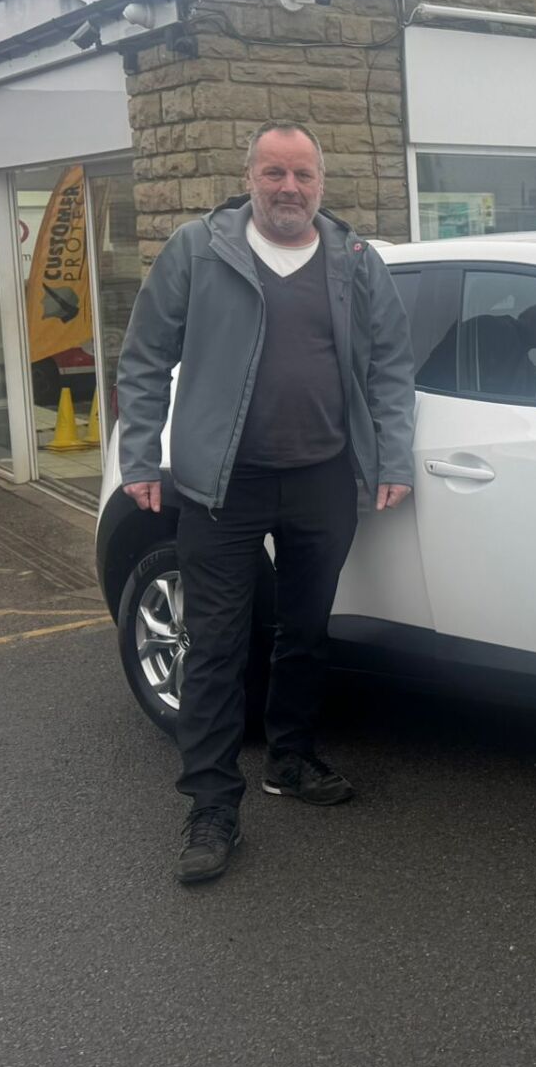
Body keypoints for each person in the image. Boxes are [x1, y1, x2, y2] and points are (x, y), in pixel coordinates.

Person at [117, 120, 416, 884]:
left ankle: (291, 757)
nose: (289, 188)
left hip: (323, 474)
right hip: (223, 482)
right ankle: (213, 805)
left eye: (303, 176)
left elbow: (389, 364)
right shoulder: (199, 249)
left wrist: (391, 455)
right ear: (248, 175)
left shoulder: (354, 259)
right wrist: (141, 455)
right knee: (215, 647)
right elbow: (146, 356)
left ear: (322, 183)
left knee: (306, 630)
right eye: (274, 173)